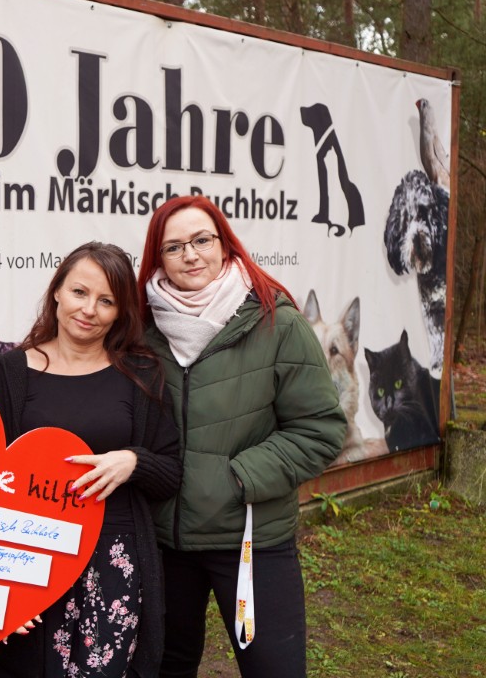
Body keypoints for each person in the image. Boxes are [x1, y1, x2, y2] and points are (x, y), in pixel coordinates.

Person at [135, 195, 346, 678]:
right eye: (174, 247)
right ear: (157, 259)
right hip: (166, 541)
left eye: (201, 240)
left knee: (275, 669)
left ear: (225, 245)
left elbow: (321, 428)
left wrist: (240, 479)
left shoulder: (277, 322)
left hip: (251, 538)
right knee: (164, 666)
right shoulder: (144, 330)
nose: (190, 254)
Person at [0, 242, 182, 678]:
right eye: (79, 292)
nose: (89, 309)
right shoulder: (11, 372)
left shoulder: (139, 374)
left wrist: (134, 461)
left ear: (120, 312)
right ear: (57, 292)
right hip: (31, 559)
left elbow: (170, 472)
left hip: (112, 564)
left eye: (106, 301)